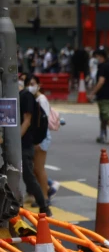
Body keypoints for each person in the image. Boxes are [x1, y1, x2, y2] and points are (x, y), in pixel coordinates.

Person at [19, 75, 50, 216]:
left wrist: (15, 139)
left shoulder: (26, 96)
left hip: (25, 144)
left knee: (29, 176)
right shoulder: (16, 96)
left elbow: (27, 121)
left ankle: (44, 206)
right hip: (19, 143)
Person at [30, 76, 60, 204]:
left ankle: (45, 197)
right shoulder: (35, 98)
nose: (30, 86)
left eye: (32, 83)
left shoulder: (41, 99)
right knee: (35, 168)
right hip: (38, 137)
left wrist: (38, 141)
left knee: (38, 168)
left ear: (39, 85)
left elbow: (42, 121)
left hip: (41, 137)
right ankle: (45, 192)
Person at [90, 49, 109, 144]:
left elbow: (101, 81)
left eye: (96, 56)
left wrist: (93, 92)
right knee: (103, 116)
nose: (95, 59)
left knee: (107, 115)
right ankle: (102, 135)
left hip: (104, 94)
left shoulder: (103, 66)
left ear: (100, 56)